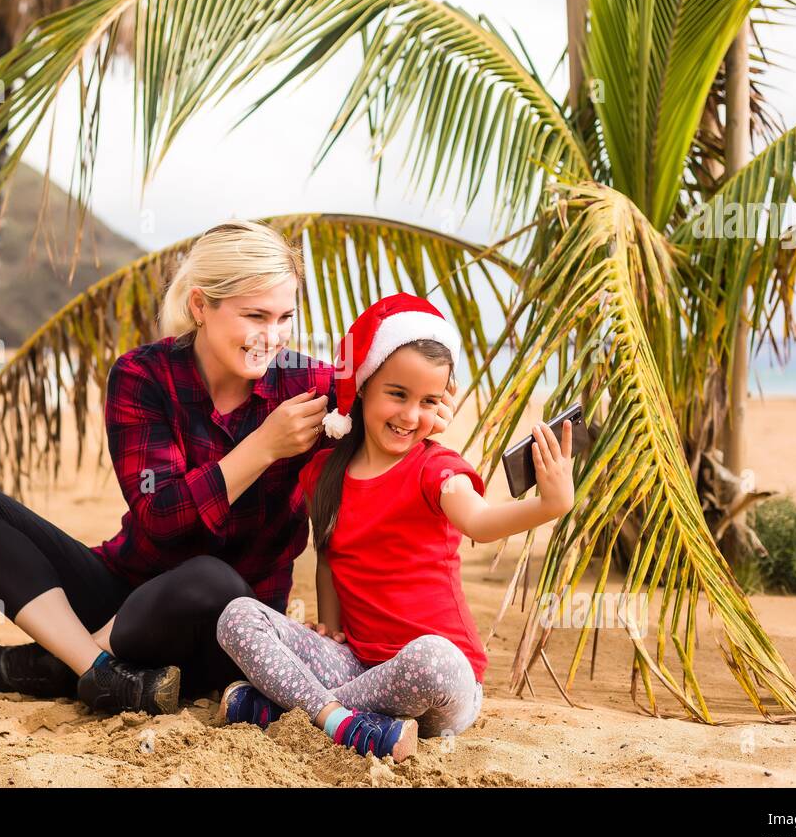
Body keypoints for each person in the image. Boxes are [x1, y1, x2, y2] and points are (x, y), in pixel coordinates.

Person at [0, 223, 459, 714]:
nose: (272, 336)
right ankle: (97, 669)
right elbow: (160, 518)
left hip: (227, 624)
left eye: (285, 318)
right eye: (255, 316)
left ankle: (60, 663)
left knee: (211, 579)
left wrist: (427, 411)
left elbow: (387, 407)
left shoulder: (313, 389)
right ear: (200, 306)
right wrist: (262, 447)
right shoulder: (142, 375)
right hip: (127, 588)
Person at [215, 292, 576, 759]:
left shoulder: (437, 469)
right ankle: (349, 723)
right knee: (237, 616)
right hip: (359, 666)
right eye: (398, 394)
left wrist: (549, 506)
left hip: (442, 683)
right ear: (364, 387)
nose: (410, 416)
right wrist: (329, 623)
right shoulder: (325, 473)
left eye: (428, 401)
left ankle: (291, 711)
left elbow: (480, 522)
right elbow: (329, 557)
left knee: (434, 657)